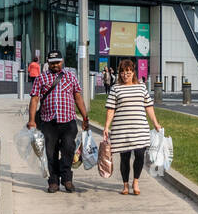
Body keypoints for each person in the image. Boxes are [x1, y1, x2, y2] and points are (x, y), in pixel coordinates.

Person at [26, 50, 89, 193]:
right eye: (52, 62)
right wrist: (31, 120)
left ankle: (67, 179)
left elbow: (78, 97)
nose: (55, 65)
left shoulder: (71, 77)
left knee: (68, 149)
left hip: (68, 121)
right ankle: (53, 181)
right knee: (50, 152)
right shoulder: (41, 78)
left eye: (58, 62)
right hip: (48, 122)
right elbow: (34, 99)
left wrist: (85, 117)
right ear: (48, 62)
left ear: (62, 62)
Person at [103, 58, 160, 196]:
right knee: (125, 157)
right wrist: (106, 127)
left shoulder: (141, 87)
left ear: (133, 72)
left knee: (140, 155)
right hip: (121, 130)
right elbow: (111, 109)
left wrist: (155, 123)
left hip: (140, 128)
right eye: (122, 72)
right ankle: (125, 185)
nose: (125, 75)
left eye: (128, 72)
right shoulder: (115, 88)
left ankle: (135, 181)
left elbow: (149, 106)